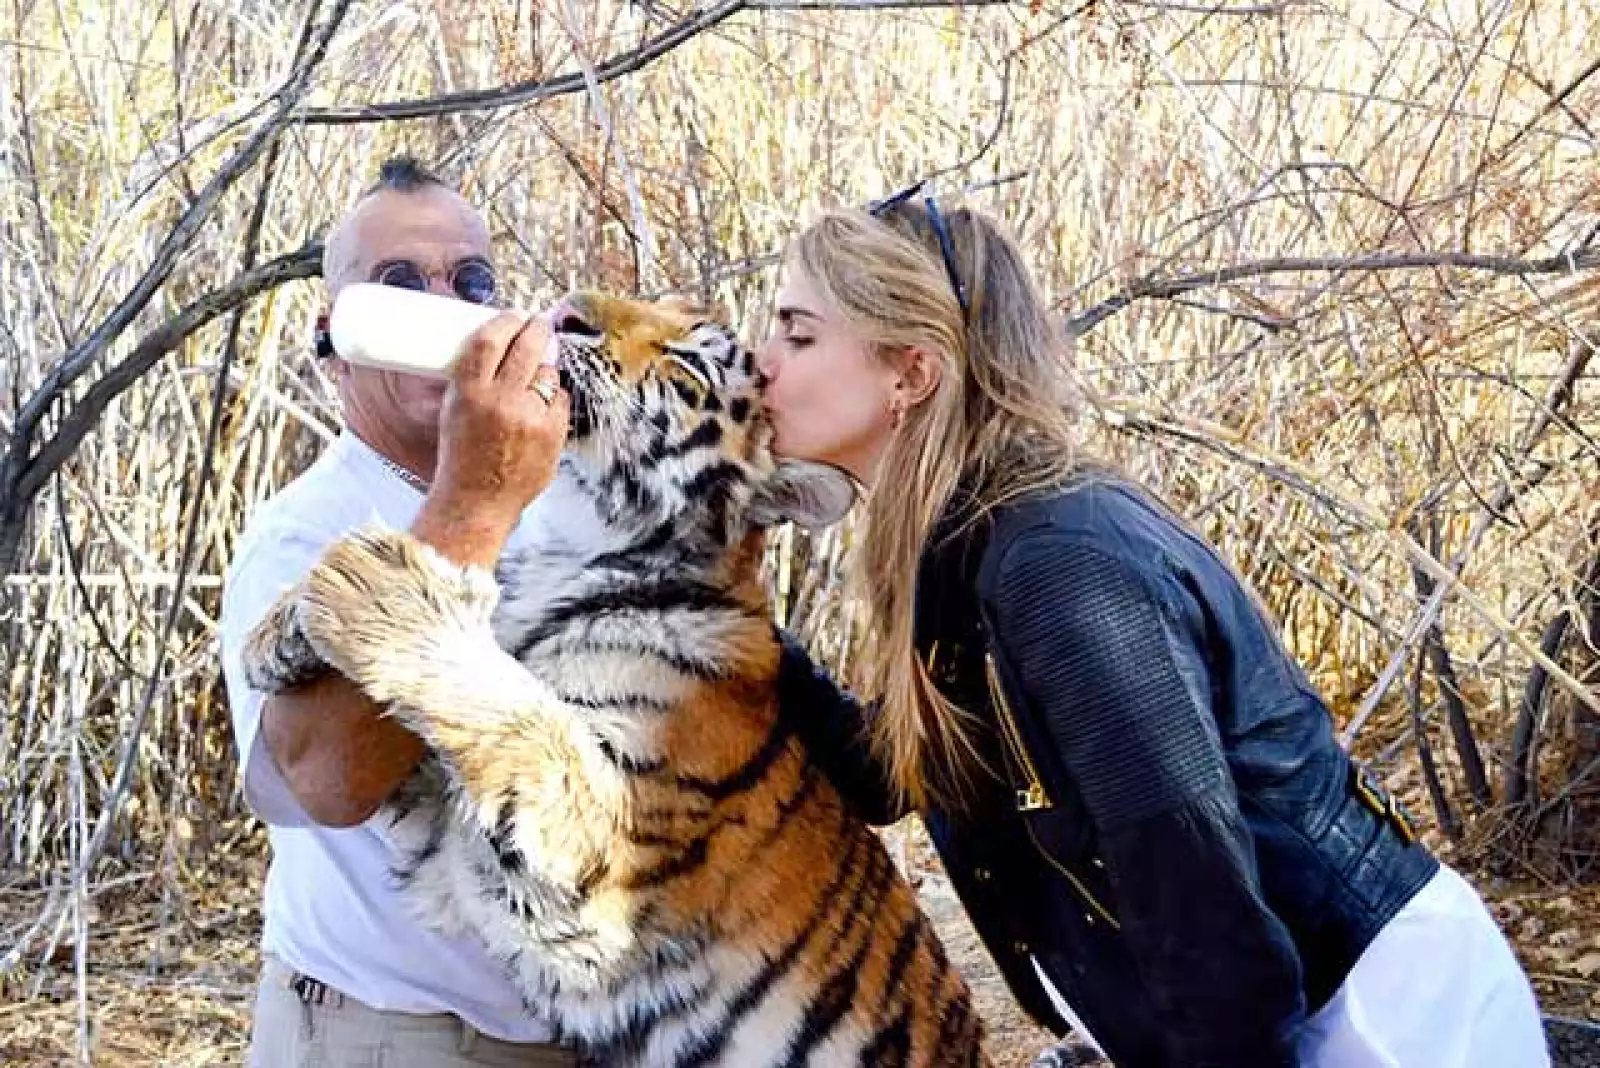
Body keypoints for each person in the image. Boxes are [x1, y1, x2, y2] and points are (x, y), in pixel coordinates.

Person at [756, 188, 1551, 1067]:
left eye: (797, 333)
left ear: (910, 372)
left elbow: (1202, 909)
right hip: (1296, 1017)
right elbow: (888, 775)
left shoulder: (1059, 568)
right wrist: (708, 611)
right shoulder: (961, 551)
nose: (762, 365)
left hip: (1383, 1024)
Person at [219, 157, 576, 1067]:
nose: (442, 303)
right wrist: (473, 509)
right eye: (400, 283)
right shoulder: (301, 538)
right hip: (393, 1032)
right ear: (334, 336)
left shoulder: (558, 496)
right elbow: (331, 779)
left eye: (471, 281)